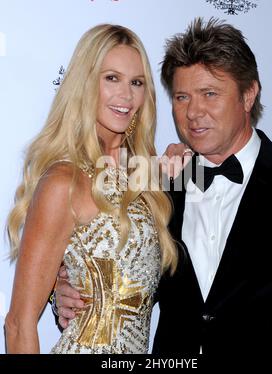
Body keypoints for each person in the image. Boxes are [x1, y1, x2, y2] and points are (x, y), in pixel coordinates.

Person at [53, 17, 272, 353]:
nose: (193, 112)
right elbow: (110, 258)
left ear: (248, 94)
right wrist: (62, 286)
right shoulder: (156, 185)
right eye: (182, 97)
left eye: (209, 93)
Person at [4, 24, 177, 354]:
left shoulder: (143, 177)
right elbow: (18, 323)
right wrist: (56, 286)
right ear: (86, 83)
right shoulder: (64, 181)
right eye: (111, 78)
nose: (126, 95)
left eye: (136, 82)